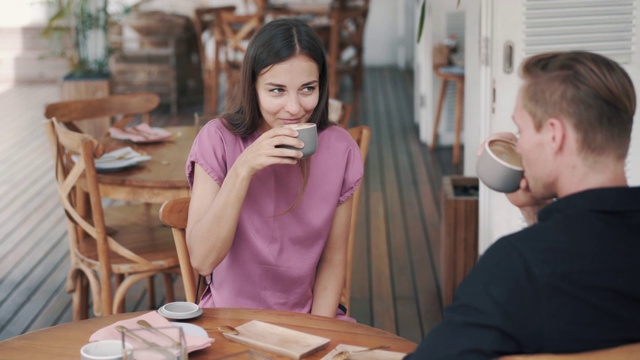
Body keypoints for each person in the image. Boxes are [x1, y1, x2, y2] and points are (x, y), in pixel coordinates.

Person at [405, 51, 640, 359]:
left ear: (555, 135)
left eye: (521, 131)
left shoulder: (518, 265)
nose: (520, 145)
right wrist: (535, 211)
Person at [185, 18, 363, 319]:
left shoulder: (340, 149)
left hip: (309, 320)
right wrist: (243, 168)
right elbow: (202, 261)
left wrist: (314, 335)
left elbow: (333, 261)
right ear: (252, 87)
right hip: (228, 320)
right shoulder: (217, 140)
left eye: (308, 89)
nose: (294, 108)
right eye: (277, 90)